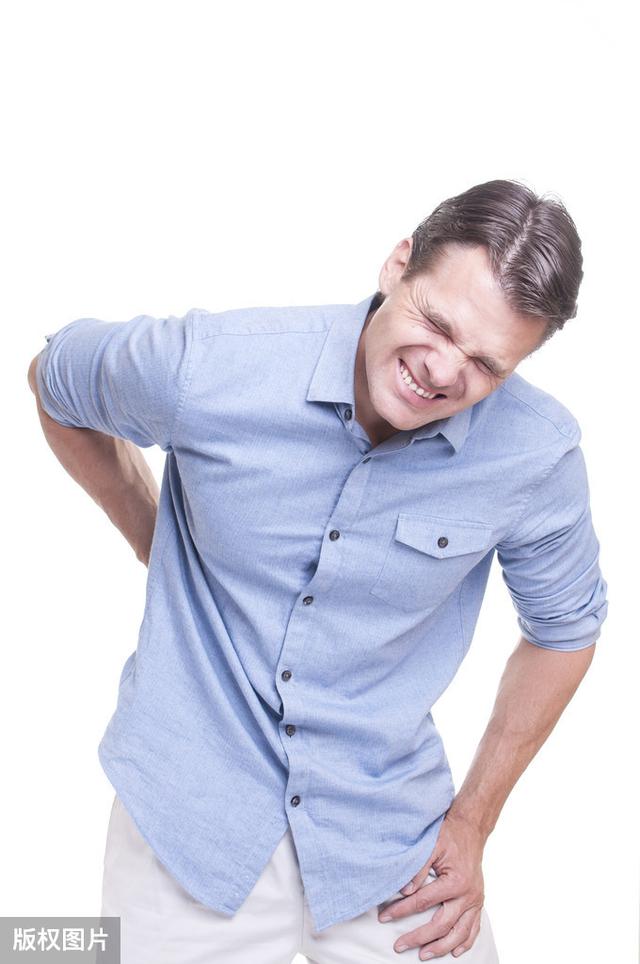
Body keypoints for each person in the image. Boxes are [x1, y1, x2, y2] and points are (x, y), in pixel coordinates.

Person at [28, 178, 608, 963]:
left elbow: (565, 629)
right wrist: (151, 534)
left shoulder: (536, 453)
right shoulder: (213, 364)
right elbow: (56, 378)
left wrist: (472, 824)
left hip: (392, 841)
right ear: (397, 265)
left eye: (485, 364)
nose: (442, 371)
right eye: (437, 323)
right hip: (187, 826)